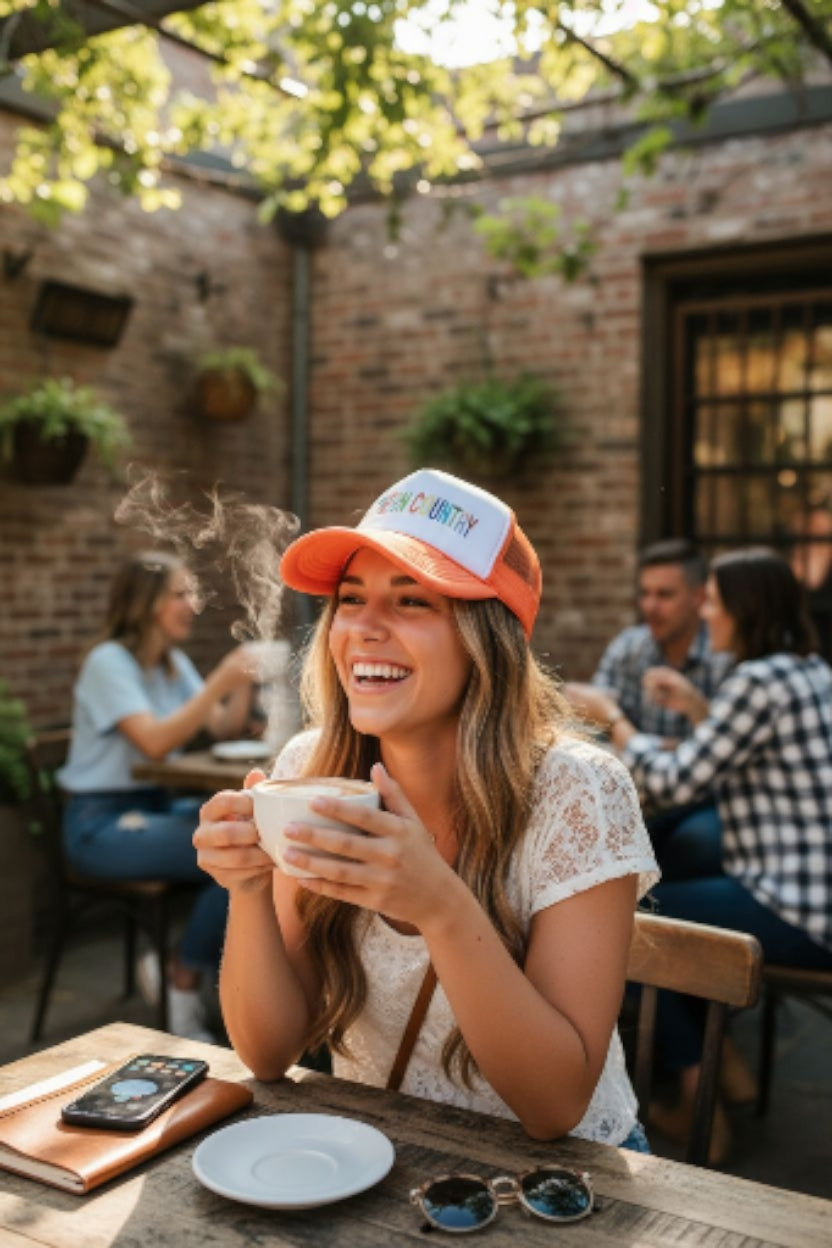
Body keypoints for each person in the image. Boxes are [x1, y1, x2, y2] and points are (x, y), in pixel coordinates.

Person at [195, 468, 658, 1149]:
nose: (365, 629)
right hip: (378, 1156)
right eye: (350, 599)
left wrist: (438, 903)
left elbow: (555, 1105)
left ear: (487, 640)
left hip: (563, 1185)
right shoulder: (308, 770)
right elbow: (268, 1053)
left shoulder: (579, 792)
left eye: (412, 602)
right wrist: (248, 889)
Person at [587, 548, 832, 1160]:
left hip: (794, 908)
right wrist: (694, 710)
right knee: (674, 880)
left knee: (630, 923)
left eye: (715, 603)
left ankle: (702, 1108)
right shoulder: (808, 670)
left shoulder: (756, 680)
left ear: (743, 609)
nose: (708, 613)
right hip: (814, 891)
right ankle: (728, 1068)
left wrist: (610, 717)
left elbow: (671, 781)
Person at [58, 550, 256, 1041]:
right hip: (99, 826)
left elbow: (220, 727)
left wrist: (245, 682)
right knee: (238, 847)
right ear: (145, 602)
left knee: (246, 835)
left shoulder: (171, 663)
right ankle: (182, 976)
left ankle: (187, 970)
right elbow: (155, 741)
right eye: (179, 594)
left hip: (154, 811)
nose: (191, 604)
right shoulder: (109, 663)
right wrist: (220, 680)